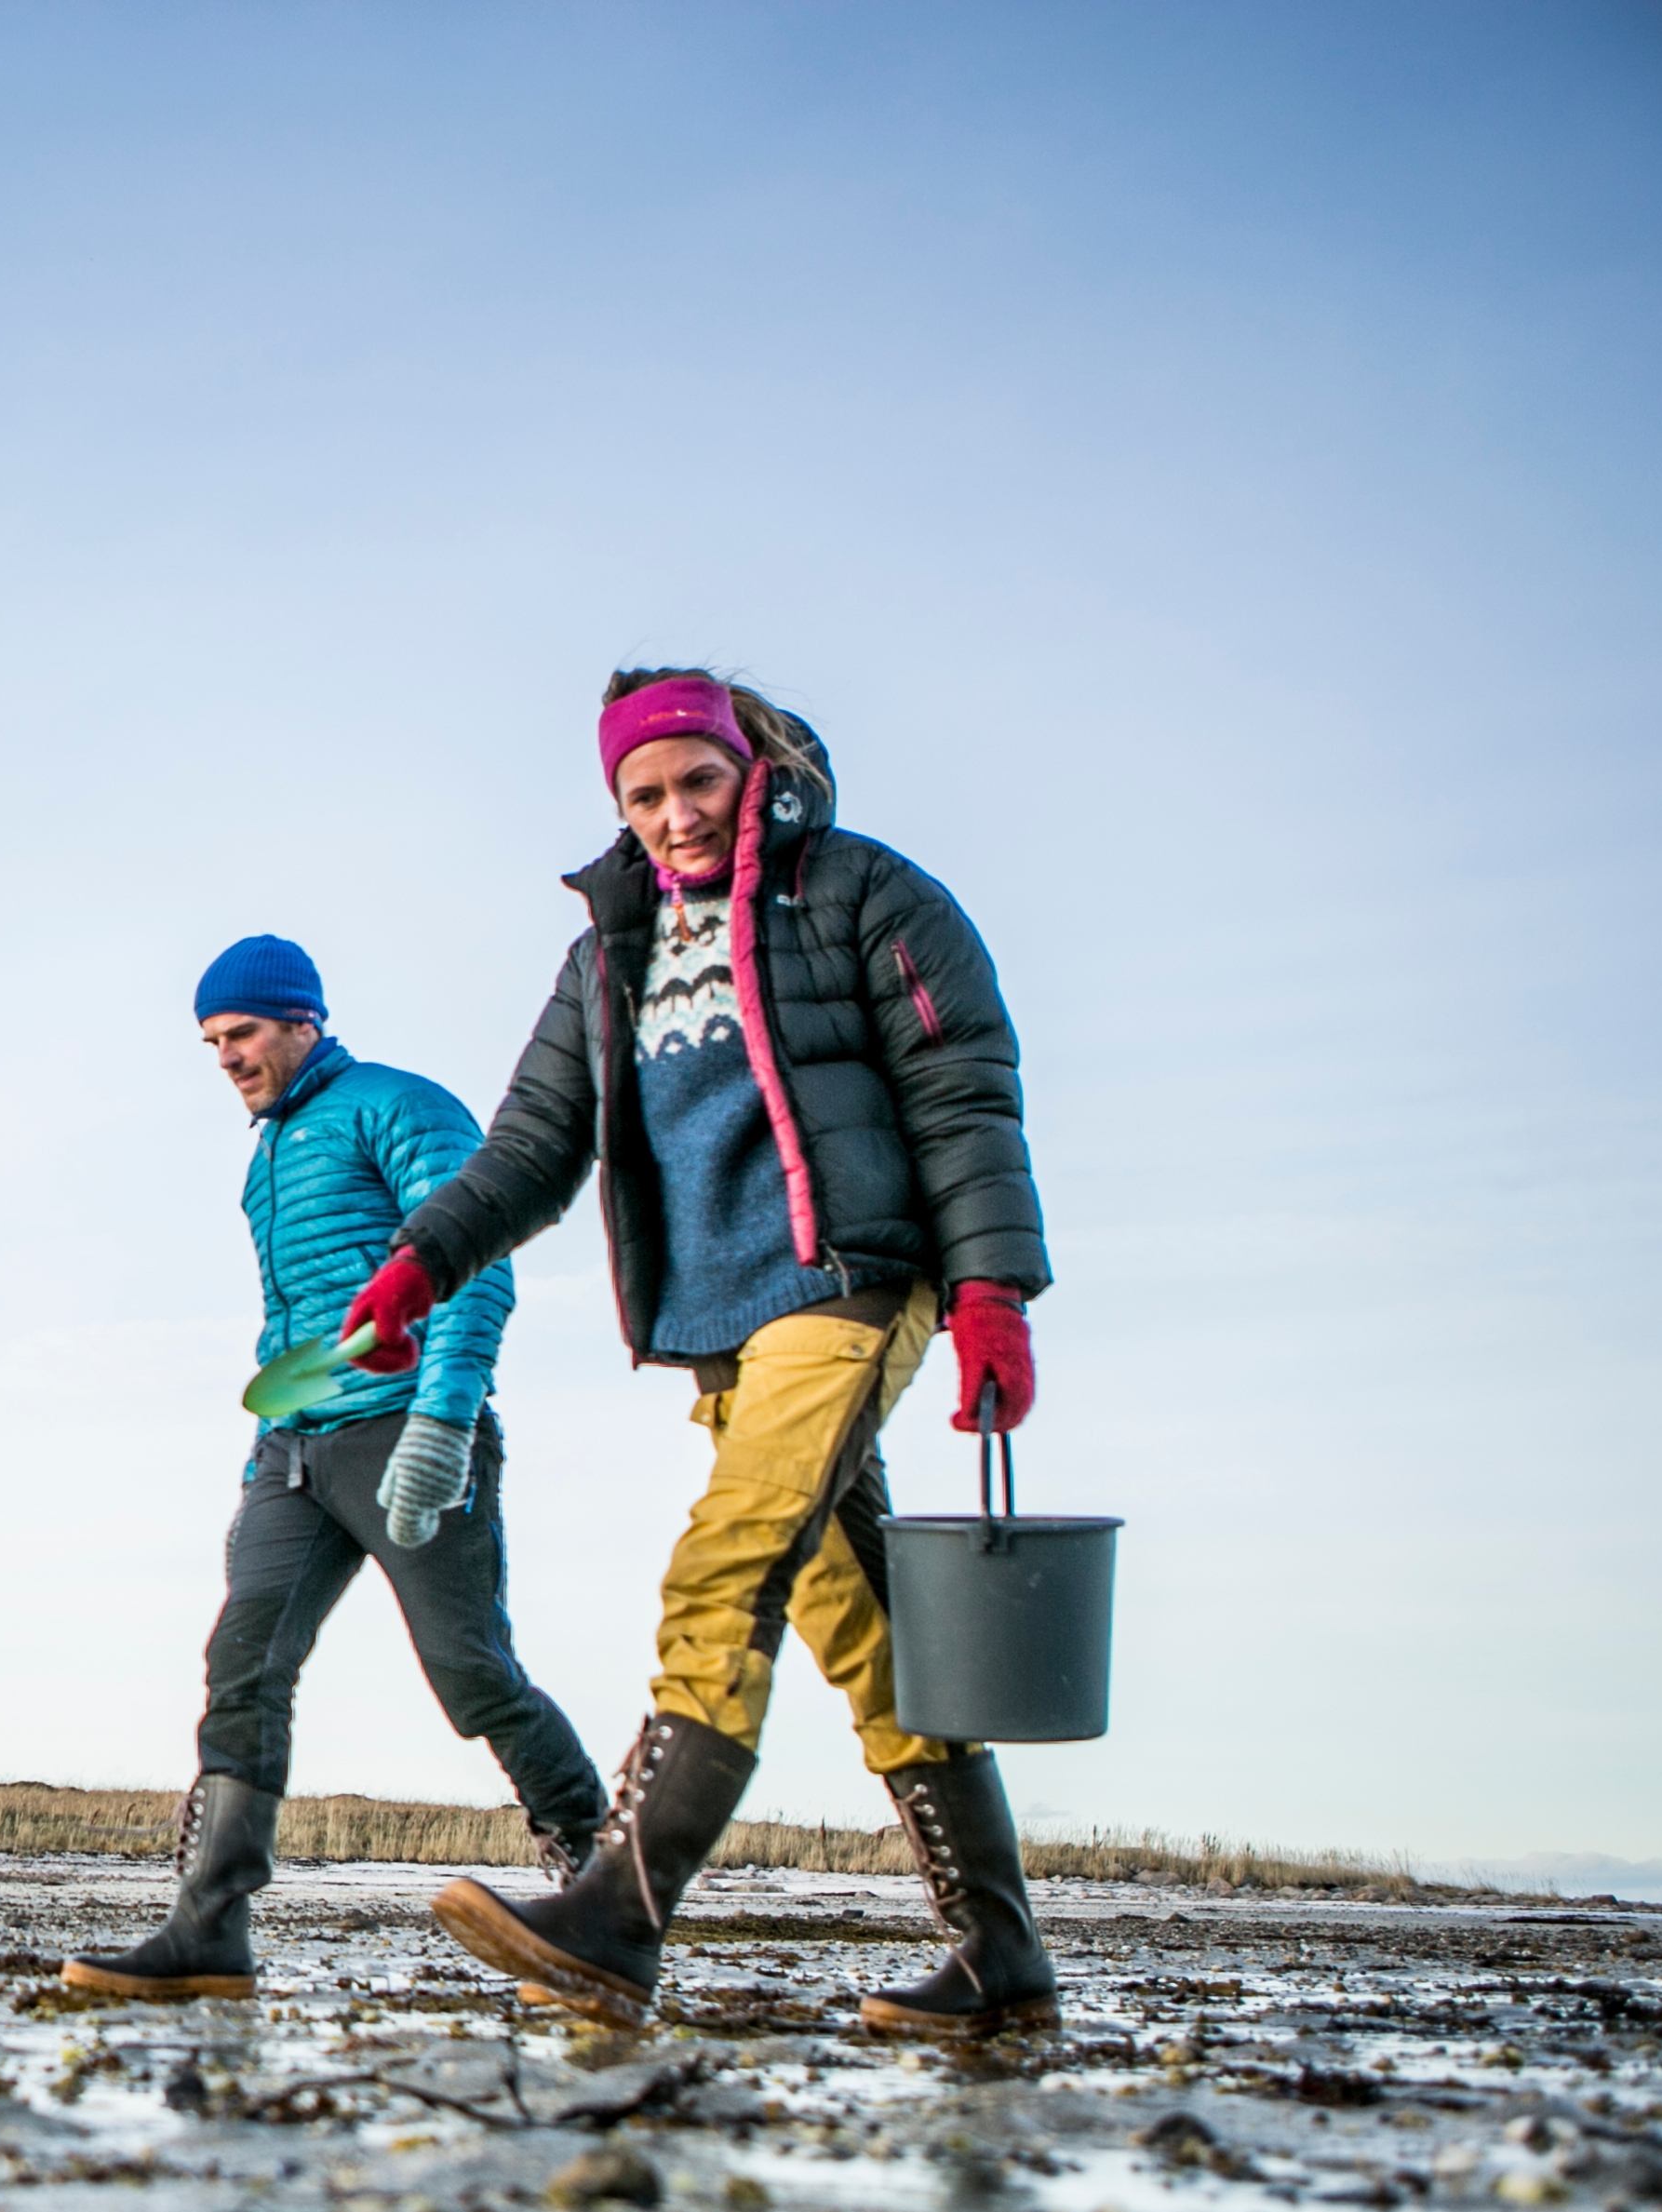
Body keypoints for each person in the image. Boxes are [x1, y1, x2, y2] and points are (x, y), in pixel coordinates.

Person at [336, 672, 1058, 2039]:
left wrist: (990, 1293)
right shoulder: (609, 951)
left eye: (697, 782)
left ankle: (618, 1913)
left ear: (751, 769)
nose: (674, 815)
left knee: (723, 1568)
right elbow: (533, 1148)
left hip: (845, 1289)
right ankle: (1000, 1963)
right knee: (870, 1635)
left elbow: (962, 1091)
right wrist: (422, 1260)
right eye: (643, 794)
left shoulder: (861, 895)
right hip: (721, 1333)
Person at [65, 935, 608, 2002]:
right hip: (296, 1450)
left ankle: (598, 1873)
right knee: (243, 1663)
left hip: (406, 1427)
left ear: (303, 1020)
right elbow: (294, 1325)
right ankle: (208, 1928)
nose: (226, 1057)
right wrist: (268, 1443)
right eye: (212, 1042)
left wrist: (444, 1421)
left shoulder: (395, 1106)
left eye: (244, 1033)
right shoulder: (263, 1158)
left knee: (470, 1671)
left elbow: (471, 1259)